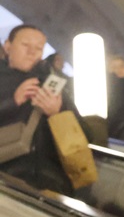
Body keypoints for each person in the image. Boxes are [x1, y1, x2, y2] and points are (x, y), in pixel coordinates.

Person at [0, 24, 76, 195]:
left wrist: (57, 113)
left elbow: (84, 133)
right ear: (8, 46)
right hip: (6, 176)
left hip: (50, 182)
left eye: (39, 48)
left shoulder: (53, 84)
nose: (31, 52)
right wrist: (13, 101)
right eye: (25, 45)